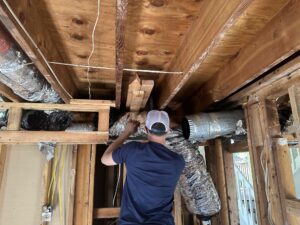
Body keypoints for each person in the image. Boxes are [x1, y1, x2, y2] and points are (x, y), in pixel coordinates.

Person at [101, 110, 185, 225]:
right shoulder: (178, 161)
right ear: (168, 131)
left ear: (145, 129)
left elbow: (105, 159)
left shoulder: (132, 150)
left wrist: (126, 132)